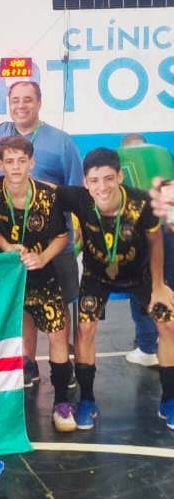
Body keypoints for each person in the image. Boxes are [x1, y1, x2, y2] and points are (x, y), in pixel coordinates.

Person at [56, 148, 174, 430]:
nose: (102, 187)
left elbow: (156, 242)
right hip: (97, 276)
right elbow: (37, 187)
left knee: (168, 325)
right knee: (85, 330)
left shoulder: (141, 202)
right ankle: (86, 400)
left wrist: (159, 286)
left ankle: (169, 400)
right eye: (94, 180)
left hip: (141, 275)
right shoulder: (78, 198)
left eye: (109, 178)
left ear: (120, 176)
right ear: (85, 182)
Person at [0, 136, 75, 431]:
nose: (15, 167)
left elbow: (61, 237)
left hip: (41, 274)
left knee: (57, 332)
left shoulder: (47, 195)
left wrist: (42, 258)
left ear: (32, 163)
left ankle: (62, 402)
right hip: (4, 275)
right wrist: (6, 246)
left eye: (21, 161)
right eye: (9, 161)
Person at [0, 80, 83, 388]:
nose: (21, 105)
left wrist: (73, 231)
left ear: (39, 102)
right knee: (24, 307)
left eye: (27, 99)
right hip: (16, 246)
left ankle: (64, 364)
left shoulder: (61, 142)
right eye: (15, 100)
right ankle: (27, 364)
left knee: (60, 307)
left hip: (55, 243)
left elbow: (76, 191)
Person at [120, 133, 161, 367]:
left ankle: (147, 348)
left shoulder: (121, 157)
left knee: (142, 289)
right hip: (170, 226)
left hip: (142, 231)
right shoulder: (164, 155)